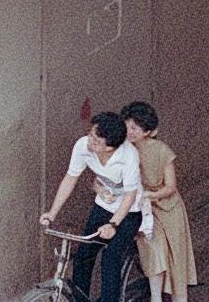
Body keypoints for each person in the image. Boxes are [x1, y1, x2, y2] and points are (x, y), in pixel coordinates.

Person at [40, 111, 148, 302]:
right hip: (103, 205)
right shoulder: (83, 146)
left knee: (110, 258)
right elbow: (71, 177)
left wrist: (113, 225)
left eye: (96, 141)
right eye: (90, 135)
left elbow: (130, 195)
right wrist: (52, 213)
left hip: (129, 211)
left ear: (110, 147)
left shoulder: (128, 156)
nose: (90, 142)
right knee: (83, 257)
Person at [121, 101, 198, 302]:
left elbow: (171, 186)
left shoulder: (162, 151)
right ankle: (156, 298)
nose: (129, 132)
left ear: (148, 131)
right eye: (127, 127)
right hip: (144, 209)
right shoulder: (125, 150)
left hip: (169, 208)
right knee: (152, 251)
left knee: (176, 257)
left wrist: (151, 195)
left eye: (135, 128)